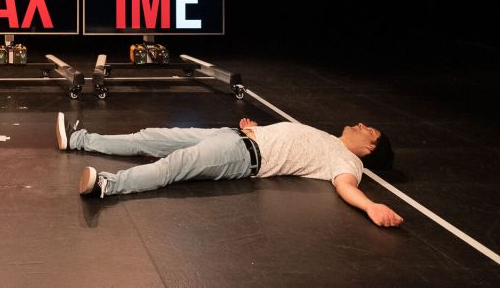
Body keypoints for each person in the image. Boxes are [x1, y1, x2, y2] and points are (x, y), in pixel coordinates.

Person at [56, 112, 403, 228]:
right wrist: (256, 129)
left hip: (240, 156)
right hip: (233, 136)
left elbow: (345, 186)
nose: (361, 124)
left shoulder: (349, 162)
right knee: (151, 137)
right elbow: (291, 142)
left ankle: (107, 185)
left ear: (370, 148)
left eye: (369, 130)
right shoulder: (330, 139)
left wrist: (370, 206)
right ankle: (79, 139)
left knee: (174, 166)